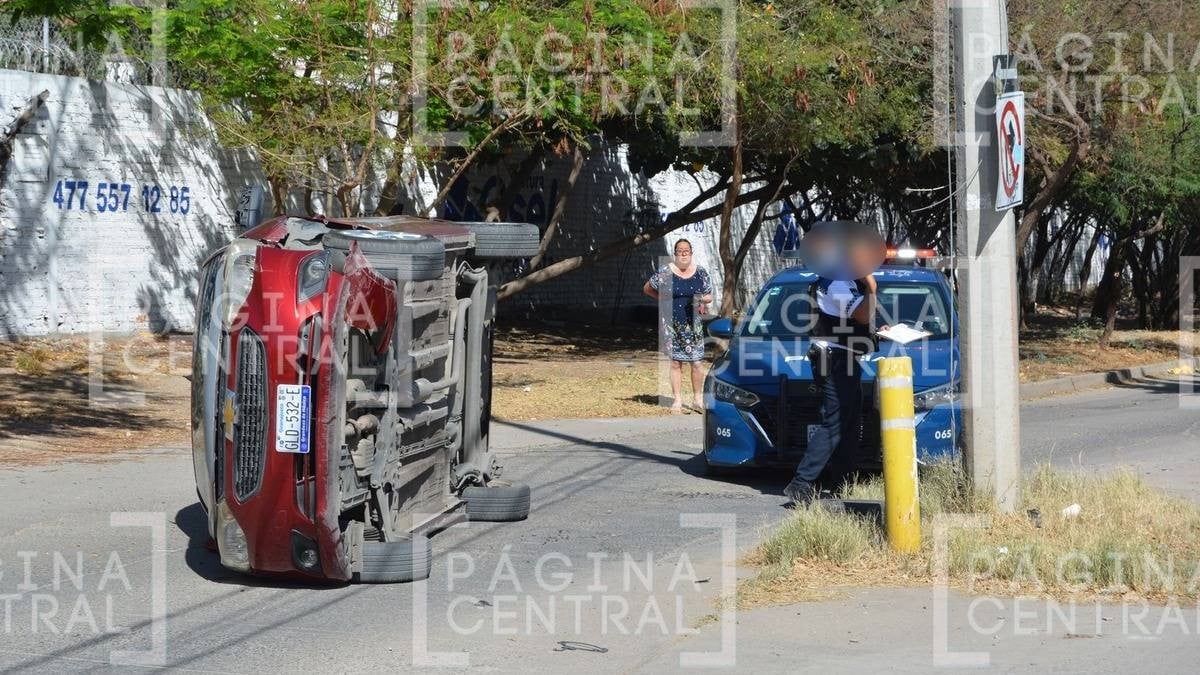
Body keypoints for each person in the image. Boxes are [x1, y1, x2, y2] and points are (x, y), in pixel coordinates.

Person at [783, 273, 887, 506]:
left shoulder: (843, 281)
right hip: (835, 361)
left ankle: (843, 484)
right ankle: (801, 483)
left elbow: (850, 321)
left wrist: (876, 332)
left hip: (844, 359)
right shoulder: (836, 283)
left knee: (849, 424)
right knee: (836, 421)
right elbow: (861, 315)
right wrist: (872, 286)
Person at [643, 239, 714, 413]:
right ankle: (677, 400)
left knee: (697, 363)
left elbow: (709, 296)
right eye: (679, 251)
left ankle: (697, 400)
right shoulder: (665, 271)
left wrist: (700, 298)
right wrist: (662, 298)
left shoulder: (701, 272)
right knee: (676, 363)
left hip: (694, 326)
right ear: (675, 253)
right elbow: (647, 288)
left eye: (686, 251)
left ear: (691, 253)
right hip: (672, 325)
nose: (683, 254)